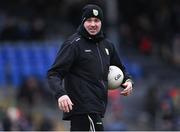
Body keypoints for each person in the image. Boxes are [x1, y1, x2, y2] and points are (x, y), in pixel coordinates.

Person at [47, 4, 134, 131]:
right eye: (89, 20)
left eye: (96, 20)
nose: (93, 24)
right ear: (83, 21)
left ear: (101, 22)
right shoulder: (73, 44)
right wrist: (61, 94)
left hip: (96, 108)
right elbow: (53, 73)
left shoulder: (108, 45)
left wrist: (128, 81)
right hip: (83, 109)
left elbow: (120, 68)